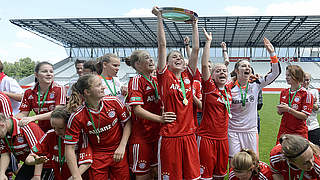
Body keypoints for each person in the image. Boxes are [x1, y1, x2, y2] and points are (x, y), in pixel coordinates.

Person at [152, 6, 201, 179]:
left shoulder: (188, 74)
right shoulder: (164, 76)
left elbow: (195, 50)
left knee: (192, 177)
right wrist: (159, 17)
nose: (178, 58)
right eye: (174, 57)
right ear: (166, 63)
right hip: (170, 136)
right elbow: (162, 44)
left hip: (189, 134)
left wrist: (194, 24)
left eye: (180, 56)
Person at [64, 74, 131, 180]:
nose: (103, 87)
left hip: (118, 151)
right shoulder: (77, 116)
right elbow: (69, 148)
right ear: (87, 92)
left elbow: (127, 123)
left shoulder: (114, 101)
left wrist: (122, 146)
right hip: (97, 156)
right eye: (99, 85)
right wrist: (76, 176)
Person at [126, 50, 176, 179]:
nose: (151, 60)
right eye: (146, 58)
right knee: (143, 176)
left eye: (150, 57)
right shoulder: (136, 81)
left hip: (157, 135)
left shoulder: (155, 80)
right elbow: (137, 109)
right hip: (142, 137)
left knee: (156, 172)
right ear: (137, 64)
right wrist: (161, 119)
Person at [228, 37, 281, 158]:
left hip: (251, 130)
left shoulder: (255, 84)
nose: (247, 68)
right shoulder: (229, 87)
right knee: (234, 162)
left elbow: (275, 73)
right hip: (232, 131)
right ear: (236, 70)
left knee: (253, 162)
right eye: (243, 66)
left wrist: (272, 52)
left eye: (249, 66)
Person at [196, 28, 232, 179]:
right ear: (212, 75)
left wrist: (225, 52)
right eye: (218, 71)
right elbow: (204, 66)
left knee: (220, 175)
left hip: (223, 139)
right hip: (206, 139)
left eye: (224, 71)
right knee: (205, 176)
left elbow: (227, 64)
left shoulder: (229, 89)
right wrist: (208, 42)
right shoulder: (209, 88)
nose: (222, 72)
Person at [26, 107, 92, 180]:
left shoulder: (82, 136)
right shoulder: (50, 135)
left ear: (69, 125)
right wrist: (34, 161)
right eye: (54, 128)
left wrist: (74, 177)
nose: (57, 132)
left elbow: (86, 163)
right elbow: (29, 158)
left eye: (60, 128)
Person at [17, 61, 66, 133]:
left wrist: (33, 118)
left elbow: (58, 113)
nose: (49, 74)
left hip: (57, 130)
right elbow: (23, 113)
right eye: (45, 71)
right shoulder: (29, 92)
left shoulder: (59, 89)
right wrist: (9, 119)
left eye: (51, 72)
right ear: (36, 75)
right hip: (40, 129)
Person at [0, 114, 47, 180]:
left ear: (2, 125)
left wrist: (37, 176)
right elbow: (5, 154)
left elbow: (38, 152)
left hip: (46, 163)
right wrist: (2, 174)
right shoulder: (3, 132)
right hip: (30, 163)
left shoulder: (26, 127)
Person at [276, 65, 313, 141]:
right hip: (284, 131)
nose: (286, 77)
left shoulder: (306, 94)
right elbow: (280, 113)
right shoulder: (284, 92)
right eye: (286, 75)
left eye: (289, 75)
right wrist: (280, 110)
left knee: (298, 153)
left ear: (297, 76)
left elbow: (304, 116)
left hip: (299, 132)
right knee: (279, 152)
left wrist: (289, 109)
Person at [302, 72, 320, 146]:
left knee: (316, 150)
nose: (306, 82)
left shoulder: (314, 92)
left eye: (307, 80)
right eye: (304, 80)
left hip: (313, 126)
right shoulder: (296, 92)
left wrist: (309, 101)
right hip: (300, 127)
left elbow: (318, 110)